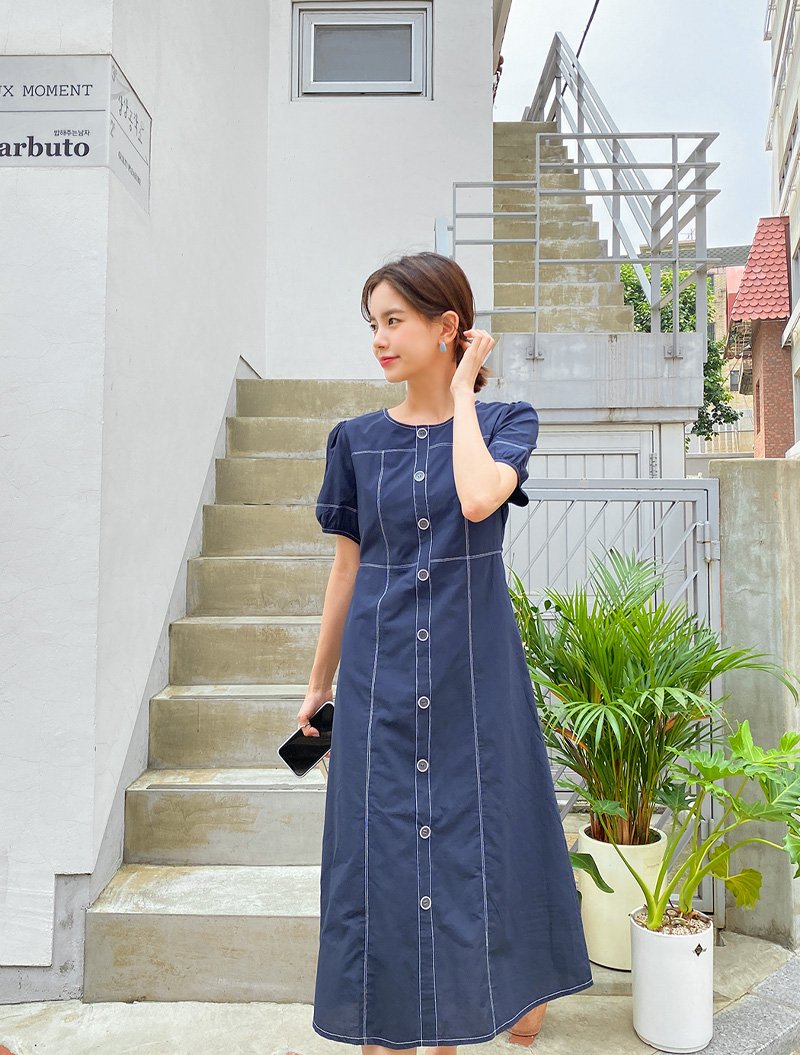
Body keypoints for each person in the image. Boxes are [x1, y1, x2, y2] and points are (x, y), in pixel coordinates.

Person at [298, 251, 593, 1054]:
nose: (379, 339)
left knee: (477, 848)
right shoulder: (355, 441)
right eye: (373, 323)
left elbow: (476, 496)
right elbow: (346, 570)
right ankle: (382, 1032)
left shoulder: (505, 422)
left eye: (394, 320)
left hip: (474, 679)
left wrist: (462, 393)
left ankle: (477, 1016)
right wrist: (319, 684)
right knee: (379, 860)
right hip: (380, 678)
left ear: (447, 326)